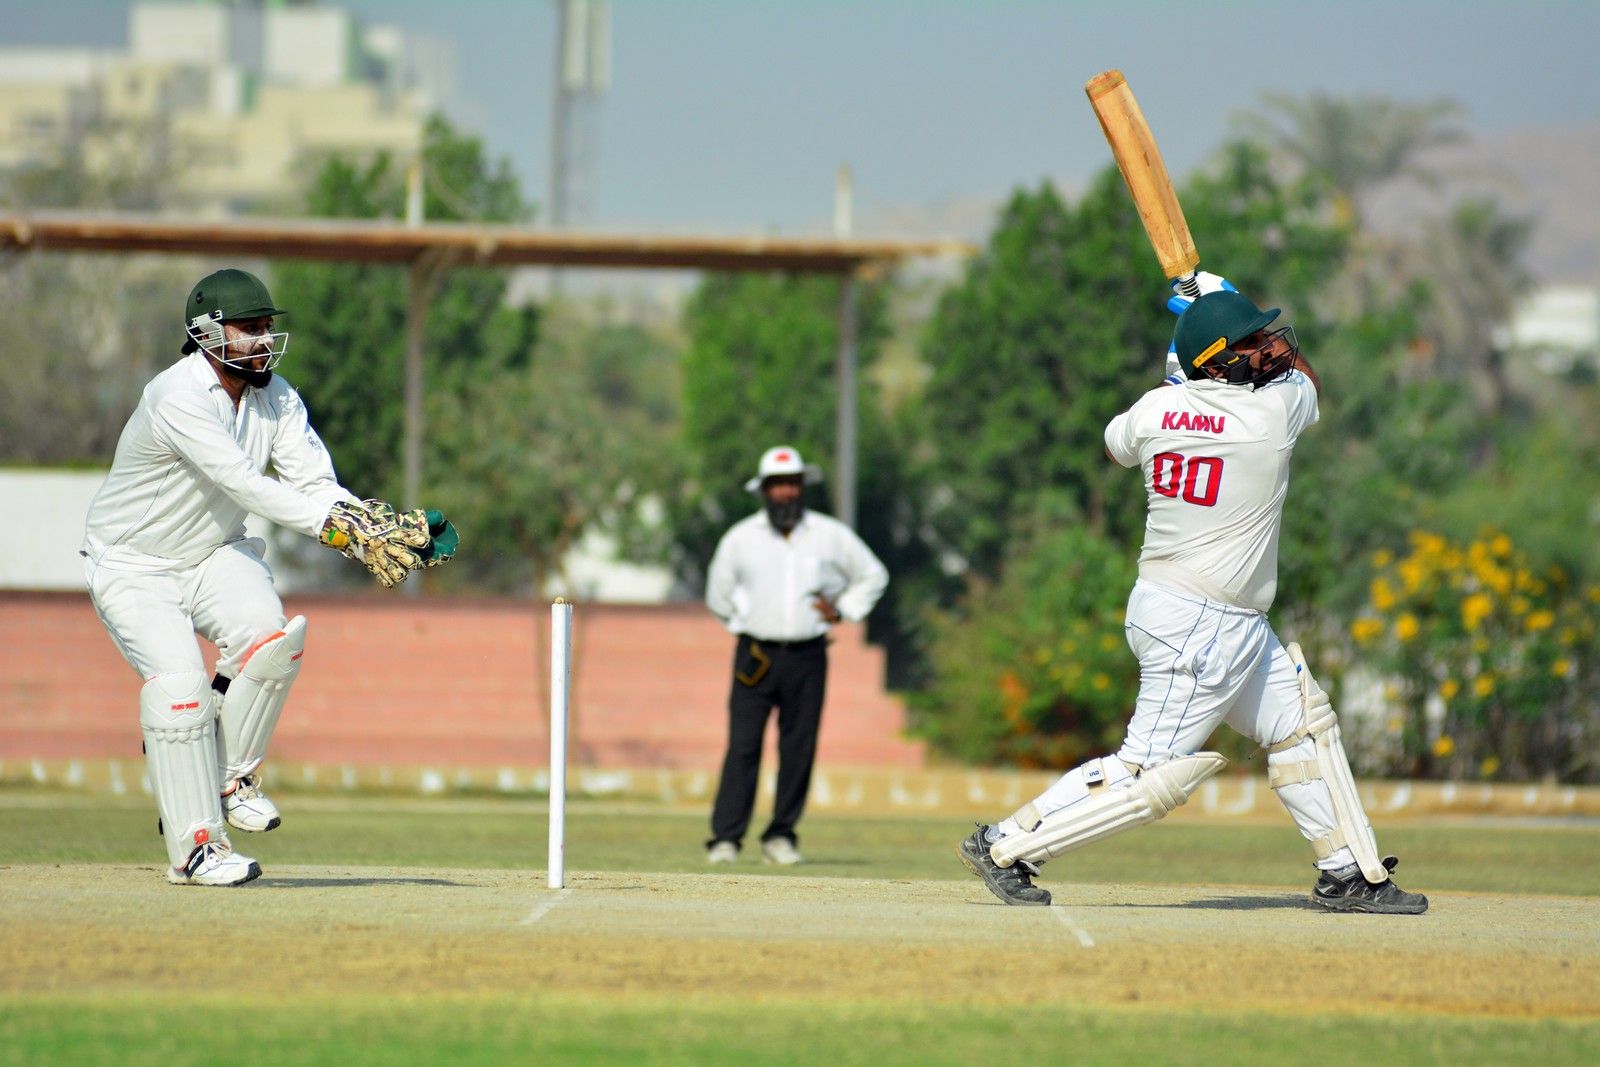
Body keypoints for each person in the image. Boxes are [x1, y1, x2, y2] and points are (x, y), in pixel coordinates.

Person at [957, 283, 1428, 915]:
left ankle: (1347, 873)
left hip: (1195, 610)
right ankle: (1004, 845)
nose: (1271, 349)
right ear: (1220, 362)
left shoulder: (1154, 410)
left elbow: (1115, 444)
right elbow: (1309, 381)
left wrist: (1179, 374)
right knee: (1149, 774)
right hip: (1201, 626)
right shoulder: (1269, 418)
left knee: (1302, 728)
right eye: (1252, 342)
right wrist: (1220, 294)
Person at [81, 268, 458, 887]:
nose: (261, 340)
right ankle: (197, 849)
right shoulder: (176, 396)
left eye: (265, 327)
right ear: (208, 333)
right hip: (133, 564)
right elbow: (244, 483)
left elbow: (314, 483)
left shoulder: (277, 397)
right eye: (248, 328)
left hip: (212, 552)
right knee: (180, 686)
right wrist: (337, 532)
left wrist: (369, 524)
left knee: (270, 639)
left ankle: (229, 778)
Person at [703, 445, 888, 865]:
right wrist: (745, 623)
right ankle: (726, 838)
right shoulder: (741, 538)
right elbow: (718, 594)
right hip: (755, 655)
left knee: (798, 747)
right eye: (778, 485)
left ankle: (780, 836)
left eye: (792, 483)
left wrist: (844, 609)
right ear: (764, 490)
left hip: (808, 655)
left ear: (802, 487)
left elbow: (873, 574)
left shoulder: (829, 534)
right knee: (743, 746)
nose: (786, 492)